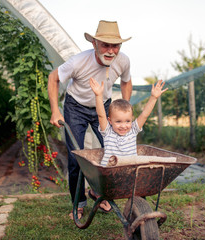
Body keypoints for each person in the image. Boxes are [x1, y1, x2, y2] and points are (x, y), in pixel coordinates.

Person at [48, 20, 132, 219]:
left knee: (112, 153)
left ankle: (98, 192)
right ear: (94, 43)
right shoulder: (78, 61)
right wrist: (55, 111)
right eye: (105, 45)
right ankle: (78, 203)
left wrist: (124, 109)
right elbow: (53, 78)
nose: (111, 51)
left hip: (103, 106)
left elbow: (126, 82)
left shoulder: (123, 61)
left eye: (115, 45)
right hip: (75, 107)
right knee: (77, 157)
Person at [89, 78, 168, 166]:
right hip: (109, 171)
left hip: (129, 171)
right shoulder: (108, 132)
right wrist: (98, 95)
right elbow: (101, 115)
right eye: (118, 122)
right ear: (110, 121)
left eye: (127, 121)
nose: (123, 126)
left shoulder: (133, 130)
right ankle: (95, 166)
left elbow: (144, 114)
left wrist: (153, 98)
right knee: (94, 165)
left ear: (132, 119)